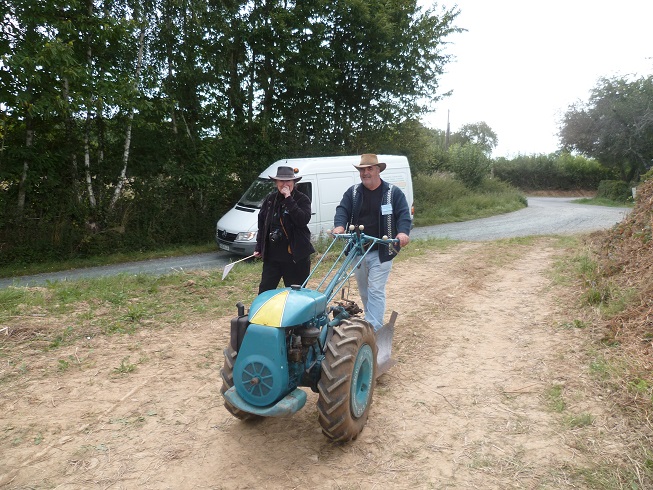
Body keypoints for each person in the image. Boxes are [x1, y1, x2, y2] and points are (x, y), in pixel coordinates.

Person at [332, 154, 411, 331]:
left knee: (375, 289)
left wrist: (403, 233)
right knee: (365, 290)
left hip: (382, 250)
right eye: (362, 169)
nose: (365, 173)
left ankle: (373, 328)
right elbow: (342, 210)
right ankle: (370, 322)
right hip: (358, 250)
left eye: (369, 169)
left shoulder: (392, 193)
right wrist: (339, 227)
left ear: (378, 170)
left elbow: (403, 214)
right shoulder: (353, 193)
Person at [254, 166, 315, 294]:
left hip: (295, 259)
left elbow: (302, 220)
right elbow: (262, 225)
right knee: (265, 292)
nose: (285, 184)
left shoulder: (302, 199)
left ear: (294, 182)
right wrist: (259, 246)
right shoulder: (270, 200)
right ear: (276, 183)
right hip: (273, 258)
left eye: (288, 181)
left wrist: (288, 198)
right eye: (281, 181)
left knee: (296, 296)